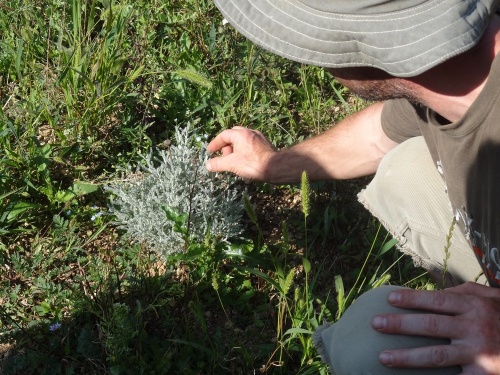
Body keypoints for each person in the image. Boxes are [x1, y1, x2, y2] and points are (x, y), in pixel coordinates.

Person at [206, 0, 500, 374]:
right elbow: (378, 136)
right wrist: (272, 164)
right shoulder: (448, 78)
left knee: (369, 345)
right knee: (403, 168)